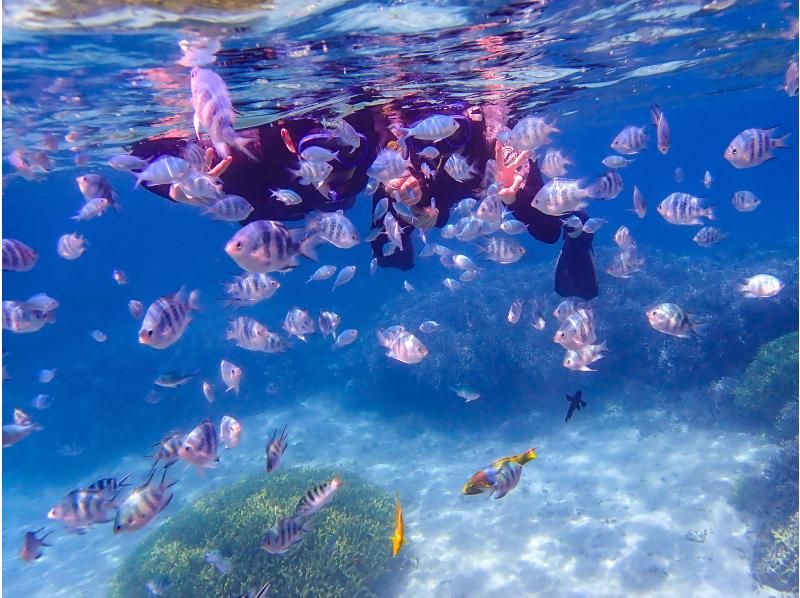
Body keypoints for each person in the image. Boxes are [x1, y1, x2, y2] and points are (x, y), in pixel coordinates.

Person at [131, 98, 598, 300]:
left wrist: (502, 152)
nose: (384, 133)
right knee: (393, 253)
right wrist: (176, 187)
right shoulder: (256, 161)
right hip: (316, 197)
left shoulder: (438, 129)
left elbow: (469, 126)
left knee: (549, 223)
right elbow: (140, 158)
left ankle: (579, 238)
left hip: (470, 166)